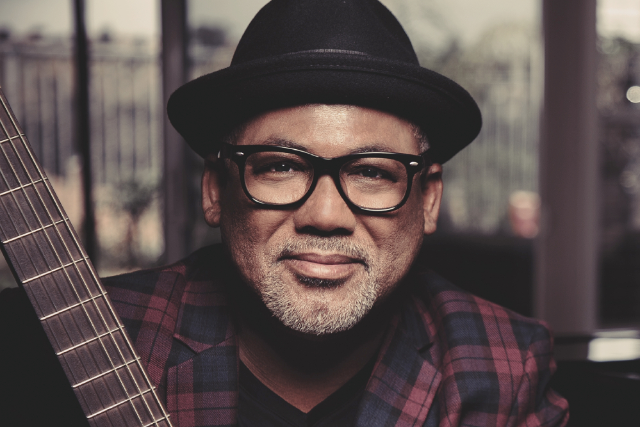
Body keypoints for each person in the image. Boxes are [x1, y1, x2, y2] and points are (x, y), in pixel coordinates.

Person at [0, 0, 568, 426]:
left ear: (429, 200)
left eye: (372, 172)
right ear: (215, 191)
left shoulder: (504, 367)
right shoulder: (82, 340)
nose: (325, 214)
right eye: (280, 166)